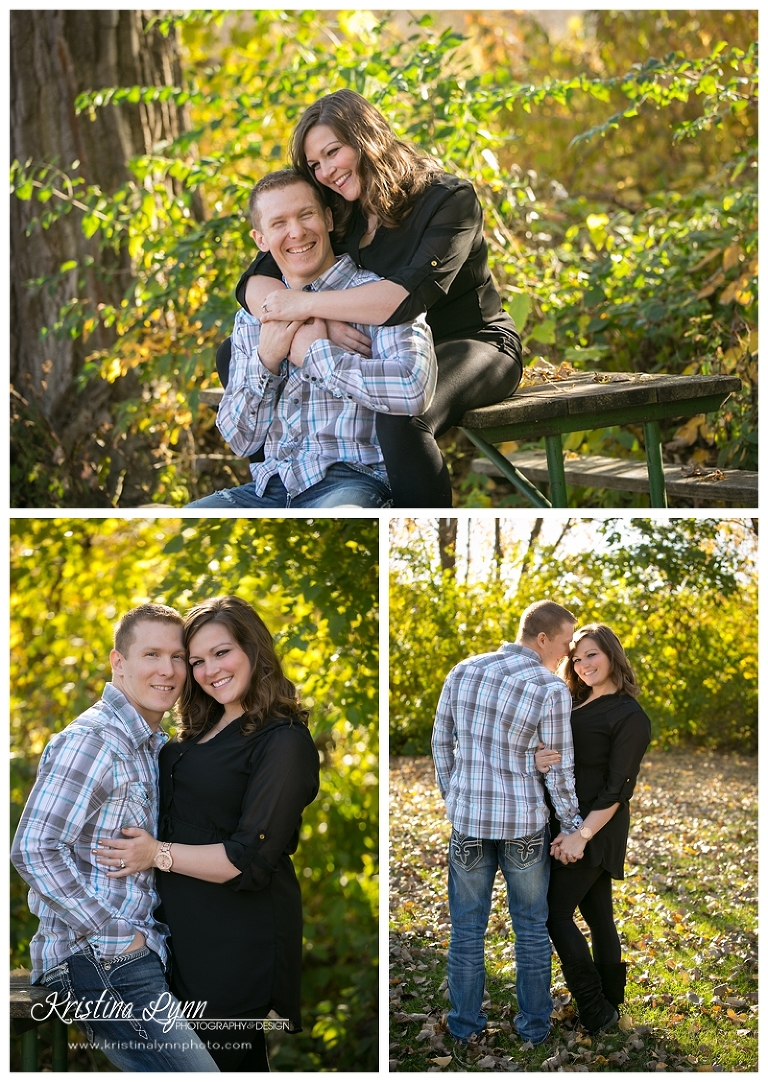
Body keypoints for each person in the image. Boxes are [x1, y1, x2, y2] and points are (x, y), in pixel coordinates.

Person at [231, 88, 523, 508]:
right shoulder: (338, 206)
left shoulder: (448, 201)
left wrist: (307, 308)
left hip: (470, 342)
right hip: (384, 344)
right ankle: (279, 484)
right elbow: (254, 281)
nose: (327, 171)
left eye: (333, 153)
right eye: (315, 164)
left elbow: (404, 300)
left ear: (367, 138)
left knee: (403, 418)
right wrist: (304, 330)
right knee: (235, 353)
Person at [93, 596, 321, 1072]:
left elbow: (247, 860)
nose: (207, 670)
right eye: (195, 660)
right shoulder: (201, 727)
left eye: (222, 653)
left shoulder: (283, 741)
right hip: (176, 937)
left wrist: (156, 854)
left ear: (253, 649)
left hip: (235, 938)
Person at [10, 605, 219, 1072]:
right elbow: (33, 847)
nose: (167, 670)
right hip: (96, 958)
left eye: (178, 657)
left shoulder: (147, 743)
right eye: (151, 654)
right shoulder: (96, 739)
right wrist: (113, 934)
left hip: (131, 957)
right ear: (118, 663)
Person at [188, 169, 436, 508]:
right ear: (260, 240)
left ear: (329, 219)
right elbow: (240, 441)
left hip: (351, 484)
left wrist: (316, 355)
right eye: (279, 223)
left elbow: (413, 389)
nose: (296, 232)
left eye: (306, 215)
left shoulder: (376, 298)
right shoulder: (256, 314)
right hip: (269, 490)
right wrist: (267, 360)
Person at [431, 600, 587, 1048]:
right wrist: (572, 824)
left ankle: (463, 1027)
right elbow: (559, 767)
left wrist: (455, 797)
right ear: (542, 639)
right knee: (531, 929)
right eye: (562, 645)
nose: (565, 656)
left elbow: (441, 742)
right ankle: (534, 1029)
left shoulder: (463, 670)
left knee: (466, 928)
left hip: (469, 822)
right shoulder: (548, 688)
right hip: (523, 824)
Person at [535, 624, 651, 1034]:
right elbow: (558, 753)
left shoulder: (629, 715)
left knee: (554, 913)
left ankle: (593, 1004)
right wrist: (538, 759)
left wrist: (580, 836)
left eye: (592, 655)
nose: (583, 665)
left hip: (596, 827)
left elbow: (618, 788)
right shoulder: (572, 702)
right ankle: (611, 1004)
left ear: (612, 655)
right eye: (577, 657)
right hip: (565, 822)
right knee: (599, 914)